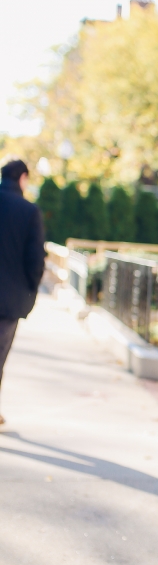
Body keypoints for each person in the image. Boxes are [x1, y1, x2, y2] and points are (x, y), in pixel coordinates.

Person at [0, 157, 46, 425]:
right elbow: (35, 260)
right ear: (23, 178)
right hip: (8, 301)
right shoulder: (28, 211)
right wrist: (31, 290)